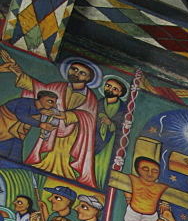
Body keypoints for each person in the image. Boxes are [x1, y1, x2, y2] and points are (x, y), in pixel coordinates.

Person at [0, 51, 100, 187]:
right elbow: (38, 89)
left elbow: (89, 116)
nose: (76, 74)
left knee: (64, 159)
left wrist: (67, 115)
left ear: (88, 78)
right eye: (74, 69)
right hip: (53, 129)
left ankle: (63, 174)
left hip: (72, 134)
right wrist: (18, 72)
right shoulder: (57, 86)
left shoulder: (91, 98)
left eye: (82, 73)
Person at [122, 156, 177, 221]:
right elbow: (123, 185)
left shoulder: (161, 187)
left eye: (155, 171)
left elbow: (169, 194)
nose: (150, 173)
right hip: (133, 211)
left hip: (150, 215)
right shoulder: (132, 179)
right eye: (145, 169)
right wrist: (128, 198)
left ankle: (164, 218)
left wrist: (165, 204)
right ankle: (164, 218)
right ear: (138, 169)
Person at [0, 88, 60, 163]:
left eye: (54, 103)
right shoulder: (24, 103)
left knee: (16, 156)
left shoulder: (39, 110)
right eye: (50, 101)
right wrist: (41, 124)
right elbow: (22, 116)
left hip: (15, 133)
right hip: (4, 130)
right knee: (4, 152)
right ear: (41, 99)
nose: (54, 105)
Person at [94, 75, 128, 186]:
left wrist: (111, 124)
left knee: (103, 164)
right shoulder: (99, 102)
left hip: (110, 142)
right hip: (95, 137)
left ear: (120, 93)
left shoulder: (122, 108)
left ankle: (98, 183)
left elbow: (122, 126)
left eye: (115, 89)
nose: (110, 89)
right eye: (108, 86)